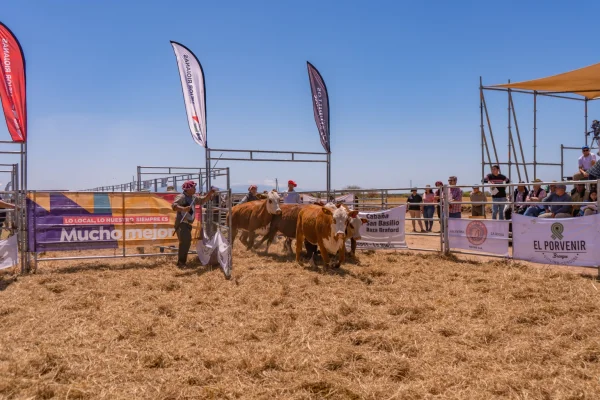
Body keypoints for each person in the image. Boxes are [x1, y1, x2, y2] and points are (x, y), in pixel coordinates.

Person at [171, 180, 216, 268]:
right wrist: (183, 209)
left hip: (188, 223)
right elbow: (174, 206)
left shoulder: (194, 197)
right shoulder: (181, 197)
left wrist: (209, 194)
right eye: (193, 187)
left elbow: (203, 200)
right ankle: (181, 263)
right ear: (188, 189)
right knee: (185, 242)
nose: (195, 189)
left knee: (186, 242)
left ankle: (182, 262)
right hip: (182, 223)